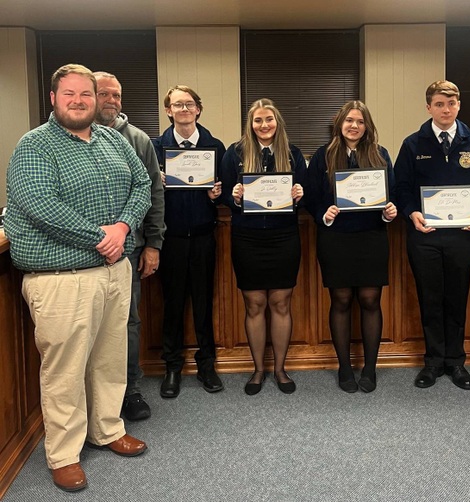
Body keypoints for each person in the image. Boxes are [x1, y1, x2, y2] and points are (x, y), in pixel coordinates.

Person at [4, 64, 151, 492]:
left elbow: (141, 185)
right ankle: (64, 453)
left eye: (85, 94)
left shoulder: (111, 139)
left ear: (96, 96)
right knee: (64, 370)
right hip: (61, 279)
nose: (78, 100)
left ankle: (107, 428)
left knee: (109, 358)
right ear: (53, 98)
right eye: (69, 93)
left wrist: (122, 228)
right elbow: (39, 205)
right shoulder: (34, 145)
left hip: (113, 272)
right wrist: (99, 237)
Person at [395, 80, 470, 390]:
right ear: (428, 107)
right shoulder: (413, 144)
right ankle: (433, 362)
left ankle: (456, 362)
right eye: (439, 104)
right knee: (430, 297)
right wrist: (412, 212)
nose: (445, 110)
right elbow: (401, 188)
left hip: (462, 234)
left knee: (457, 297)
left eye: (451, 104)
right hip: (425, 234)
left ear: (459, 105)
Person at [306, 100, 396, 393]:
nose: (354, 126)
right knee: (341, 300)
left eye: (359, 121)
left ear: (366, 126)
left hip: (371, 236)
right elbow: (311, 197)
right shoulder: (323, 156)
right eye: (348, 121)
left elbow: (390, 193)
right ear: (339, 124)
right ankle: (344, 367)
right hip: (336, 238)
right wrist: (324, 212)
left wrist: (389, 211)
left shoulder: (380, 154)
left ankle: (370, 368)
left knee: (371, 300)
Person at [220, 98, 305, 395]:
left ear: (277, 122)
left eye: (269, 119)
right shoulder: (235, 153)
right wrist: (234, 196)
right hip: (247, 238)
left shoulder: (293, 154)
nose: (264, 125)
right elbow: (223, 197)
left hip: (284, 237)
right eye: (258, 120)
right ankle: (258, 370)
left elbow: (305, 196)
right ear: (250, 124)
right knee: (254, 304)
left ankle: (280, 369)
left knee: (281, 303)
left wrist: (298, 193)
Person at [94, 71, 165, 421]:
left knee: (127, 322)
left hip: (129, 250)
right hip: (83, 251)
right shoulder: (63, 138)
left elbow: (153, 192)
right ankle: (94, 396)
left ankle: (129, 390)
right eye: (104, 94)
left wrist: (153, 243)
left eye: (117, 96)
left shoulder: (137, 140)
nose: (112, 101)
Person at [152, 85, 226, 398]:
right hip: (171, 239)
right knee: (172, 304)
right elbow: (147, 194)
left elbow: (227, 191)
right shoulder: (156, 148)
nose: (184, 109)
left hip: (204, 236)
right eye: (177, 104)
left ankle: (206, 363)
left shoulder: (215, 146)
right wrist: (159, 182)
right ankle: (172, 366)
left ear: (198, 109)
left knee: (203, 301)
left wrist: (216, 196)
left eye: (189, 104)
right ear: (168, 111)